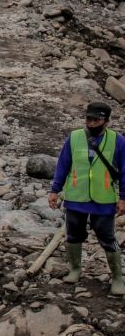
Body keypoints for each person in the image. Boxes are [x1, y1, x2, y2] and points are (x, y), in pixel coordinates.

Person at [48, 102, 125, 296]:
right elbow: (63, 165)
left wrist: (123, 198)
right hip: (76, 197)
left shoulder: (118, 141)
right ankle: (75, 269)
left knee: (107, 237)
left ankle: (117, 278)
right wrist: (54, 190)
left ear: (107, 121)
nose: (91, 123)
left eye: (96, 120)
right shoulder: (74, 138)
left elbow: (124, 172)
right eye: (88, 119)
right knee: (73, 234)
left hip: (104, 198)